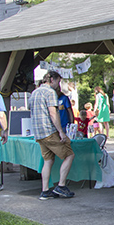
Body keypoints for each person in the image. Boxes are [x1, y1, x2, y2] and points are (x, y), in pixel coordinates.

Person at [30, 71, 76, 200]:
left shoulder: (35, 92)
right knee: (69, 155)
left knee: (48, 160)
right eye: (58, 81)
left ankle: (45, 190)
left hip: (38, 133)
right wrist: (61, 132)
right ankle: (61, 186)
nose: (58, 85)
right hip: (49, 131)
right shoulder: (50, 92)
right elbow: (53, 113)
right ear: (51, 79)